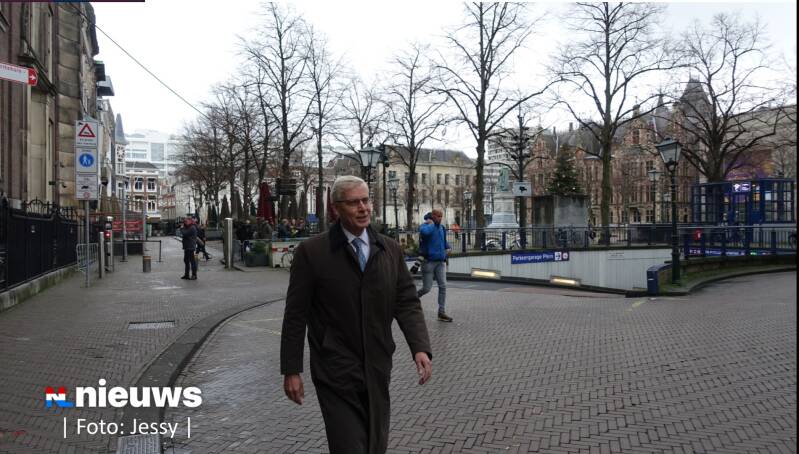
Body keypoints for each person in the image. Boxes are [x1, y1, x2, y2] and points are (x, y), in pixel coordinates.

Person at [281, 175, 432, 454]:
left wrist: (420, 347)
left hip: (377, 364)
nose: (363, 208)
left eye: (366, 200)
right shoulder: (312, 253)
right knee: (349, 446)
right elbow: (295, 315)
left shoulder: (389, 249)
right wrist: (291, 369)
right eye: (354, 203)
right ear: (336, 208)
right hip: (334, 368)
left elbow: (407, 302)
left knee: (375, 444)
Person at [417, 209, 453, 322]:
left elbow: (443, 242)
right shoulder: (425, 226)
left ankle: (441, 312)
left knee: (443, 286)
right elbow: (425, 233)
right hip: (428, 262)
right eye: (438, 216)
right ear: (433, 216)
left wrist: (448, 247)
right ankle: (411, 299)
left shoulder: (442, 228)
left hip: (440, 262)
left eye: (441, 216)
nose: (440, 218)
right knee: (426, 288)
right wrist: (432, 224)